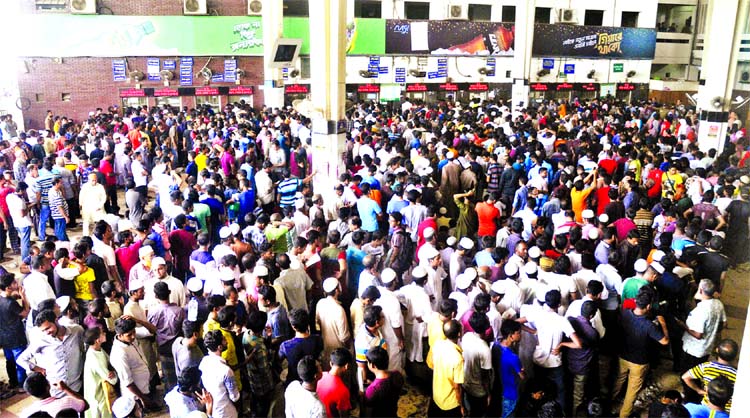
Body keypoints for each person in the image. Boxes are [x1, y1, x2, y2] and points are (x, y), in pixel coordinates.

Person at [613, 286, 670, 418]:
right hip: (639, 362)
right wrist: (663, 324)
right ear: (648, 306)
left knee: (618, 380)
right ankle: (624, 415)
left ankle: (608, 402)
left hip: (623, 355)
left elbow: (624, 307)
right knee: (632, 391)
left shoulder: (625, 313)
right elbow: (665, 341)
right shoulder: (649, 325)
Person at [17, 309, 85, 398]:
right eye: (43, 330)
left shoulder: (77, 331)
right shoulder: (41, 340)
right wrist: (38, 369)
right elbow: (21, 359)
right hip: (56, 392)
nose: (47, 332)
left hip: (76, 387)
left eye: (48, 328)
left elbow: (83, 351)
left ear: (56, 320)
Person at [109, 317, 155, 410]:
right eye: (129, 335)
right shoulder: (119, 353)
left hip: (145, 387)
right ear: (120, 335)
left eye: (134, 332)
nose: (133, 336)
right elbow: (127, 381)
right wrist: (143, 398)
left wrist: (138, 320)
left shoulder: (131, 336)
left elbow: (153, 330)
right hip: (136, 397)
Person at [682, 338, 737, 410]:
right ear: (735, 355)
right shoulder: (737, 375)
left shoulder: (706, 367)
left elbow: (685, 377)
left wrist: (699, 390)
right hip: (727, 410)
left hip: (706, 405)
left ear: (717, 350)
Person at [200, 329, 240, 418]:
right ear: (220, 347)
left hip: (212, 410)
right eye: (224, 339)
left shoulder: (203, 363)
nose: (226, 341)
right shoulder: (226, 371)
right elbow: (234, 397)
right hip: (227, 412)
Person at [428, 319, 465, 417]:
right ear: (459, 334)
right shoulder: (458, 358)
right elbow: (457, 386)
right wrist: (461, 405)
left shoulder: (437, 345)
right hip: (450, 402)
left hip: (437, 395)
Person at [0, 273, 30, 390]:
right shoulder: (11, 304)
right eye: (14, 283)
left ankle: (13, 382)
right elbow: (25, 313)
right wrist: (23, 298)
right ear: (8, 288)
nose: (16, 284)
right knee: (20, 362)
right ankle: (22, 385)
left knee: (10, 361)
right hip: (16, 337)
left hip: (4, 336)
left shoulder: (3, 299)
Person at [315, 277, 351, 370]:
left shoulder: (320, 303)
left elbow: (317, 323)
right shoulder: (339, 309)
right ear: (337, 290)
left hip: (326, 348)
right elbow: (344, 337)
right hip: (339, 352)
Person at [82, 327, 119, 418]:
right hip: (99, 394)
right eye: (102, 333)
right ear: (97, 340)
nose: (105, 334)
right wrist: (114, 373)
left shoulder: (99, 350)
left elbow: (110, 362)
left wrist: (113, 371)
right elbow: (112, 380)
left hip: (102, 391)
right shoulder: (94, 357)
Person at [492, 320, 525, 418]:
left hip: (498, 388)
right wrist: (523, 371)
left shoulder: (496, 346)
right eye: (518, 333)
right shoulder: (513, 357)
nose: (520, 335)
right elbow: (522, 377)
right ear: (511, 336)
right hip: (510, 393)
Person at [21, 371, 88, 418]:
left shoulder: (25, 413)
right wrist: (66, 389)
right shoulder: (68, 402)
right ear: (48, 386)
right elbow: (85, 405)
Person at [364, 346, 404, 417]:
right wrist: (373, 383)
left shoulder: (372, 390)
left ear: (373, 365)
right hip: (392, 413)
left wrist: (362, 398)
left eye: (367, 362)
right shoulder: (397, 375)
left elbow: (368, 414)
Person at [316, 348, 353, 418]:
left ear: (331, 363)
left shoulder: (320, 376)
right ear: (347, 366)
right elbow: (344, 415)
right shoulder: (343, 391)